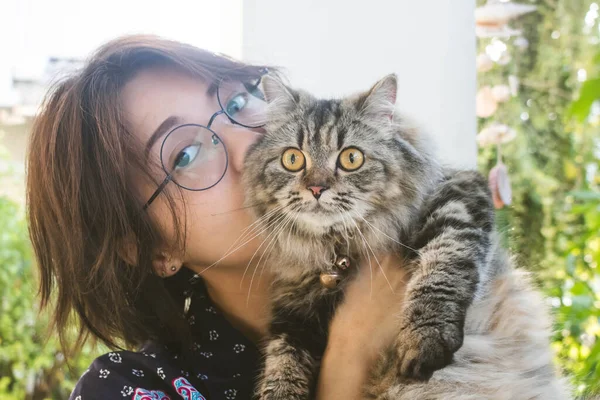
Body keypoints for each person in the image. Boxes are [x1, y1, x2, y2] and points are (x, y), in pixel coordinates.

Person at [27, 35, 408, 400]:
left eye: (239, 102)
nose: (250, 146)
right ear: (152, 249)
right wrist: (351, 357)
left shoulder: (429, 258)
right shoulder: (125, 388)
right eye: (186, 156)